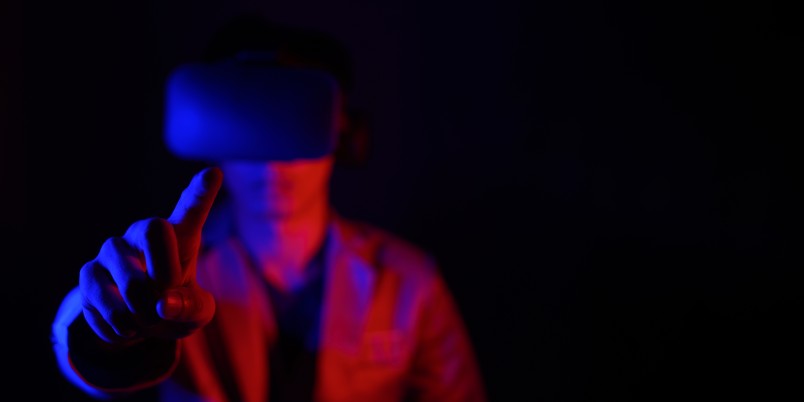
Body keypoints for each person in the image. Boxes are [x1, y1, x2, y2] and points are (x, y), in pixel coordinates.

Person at [51, 14, 486, 402]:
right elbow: (88, 359)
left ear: (343, 134)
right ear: (213, 132)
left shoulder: (410, 282)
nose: (273, 158)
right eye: (250, 123)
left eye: (296, 120)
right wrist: (113, 327)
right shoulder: (167, 273)